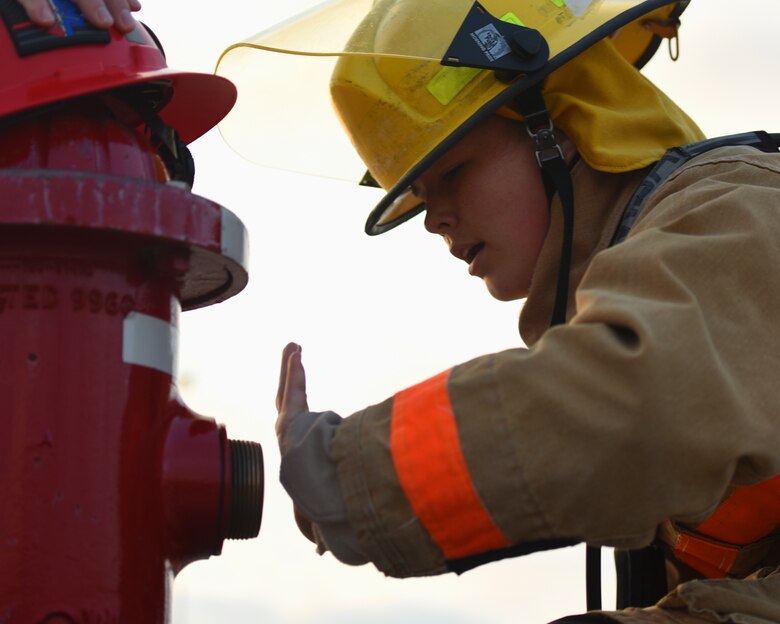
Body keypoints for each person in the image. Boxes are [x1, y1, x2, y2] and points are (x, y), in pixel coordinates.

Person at [264, 1, 780, 623]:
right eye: (421, 197)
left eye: (453, 171)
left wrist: (349, 477)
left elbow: (632, 404)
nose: (434, 221)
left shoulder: (734, 211)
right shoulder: (653, 272)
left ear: (560, 125)